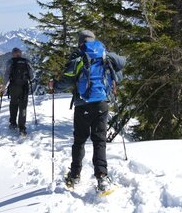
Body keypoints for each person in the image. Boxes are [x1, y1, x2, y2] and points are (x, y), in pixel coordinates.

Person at [48, 30, 126, 192]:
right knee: (99, 141)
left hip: (83, 104)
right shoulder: (106, 55)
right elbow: (119, 77)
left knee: (79, 141)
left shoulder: (79, 56)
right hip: (102, 104)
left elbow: (67, 79)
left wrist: (54, 85)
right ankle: (102, 177)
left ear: (81, 42)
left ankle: (75, 175)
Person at [3, 47, 34, 136]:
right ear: (20, 53)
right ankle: (22, 129)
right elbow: (31, 76)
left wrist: (3, 86)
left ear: (13, 54)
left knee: (13, 104)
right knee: (23, 107)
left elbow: (6, 75)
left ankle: (13, 123)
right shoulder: (26, 61)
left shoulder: (10, 62)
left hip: (13, 87)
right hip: (24, 87)